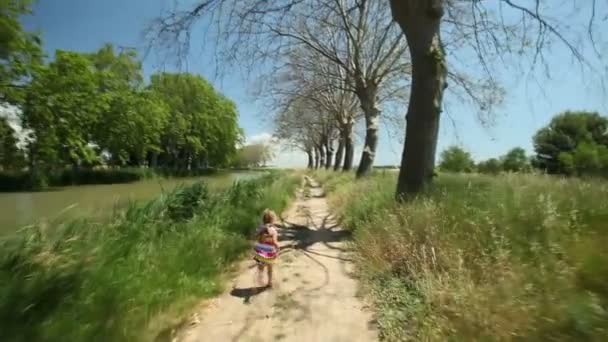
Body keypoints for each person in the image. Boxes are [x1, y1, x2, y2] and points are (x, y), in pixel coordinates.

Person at [253, 209, 280, 288]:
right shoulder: (273, 230)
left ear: (263, 219)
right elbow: (275, 242)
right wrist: (278, 248)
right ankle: (269, 282)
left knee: (260, 268)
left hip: (260, 251)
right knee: (270, 268)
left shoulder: (260, 229)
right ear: (273, 220)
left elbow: (257, 238)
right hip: (270, 252)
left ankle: (260, 278)